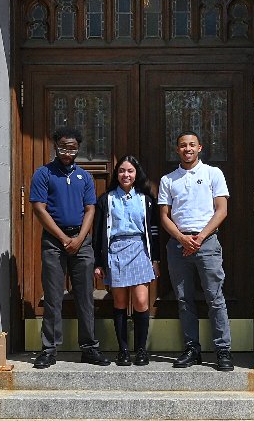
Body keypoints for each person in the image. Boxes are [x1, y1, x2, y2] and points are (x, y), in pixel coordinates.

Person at [29, 127, 109, 368]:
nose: (67, 151)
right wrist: (63, 238)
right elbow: (39, 208)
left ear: (78, 149)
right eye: (63, 146)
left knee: (85, 295)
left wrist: (79, 238)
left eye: (72, 147)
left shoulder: (84, 176)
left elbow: (90, 209)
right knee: (53, 295)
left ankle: (89, 347)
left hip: (81, 241)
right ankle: (49, 348)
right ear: (56, 145)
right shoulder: (43, 173)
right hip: (54, 241)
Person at [158, 131, 234, 372]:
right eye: (182, 145)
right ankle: (192, 348)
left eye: (192, 145)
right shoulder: (168, 179)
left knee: (215, 297)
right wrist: (182, 238)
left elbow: (221, 210)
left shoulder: (213, 173)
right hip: (178, 244)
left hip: (207, 242)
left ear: (200, 147)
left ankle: (223, 349)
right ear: (177, 149)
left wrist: (200, 237)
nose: (187, 149)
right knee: (183, 299)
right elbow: (163, 216)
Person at [93, 156, 159, 367]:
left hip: (140, 249)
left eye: (130, 171)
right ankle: (123, 350)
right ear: (116, 174)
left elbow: (154, 232)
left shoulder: (146, 199)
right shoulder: (107, 199)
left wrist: (155, 259)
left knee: (141, 301)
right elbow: (97, 234)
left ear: (136, 173)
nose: (126, 175)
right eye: (122, 171)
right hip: (116, 251)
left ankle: (141, 350)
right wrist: (98, 262)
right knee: (120, 302)